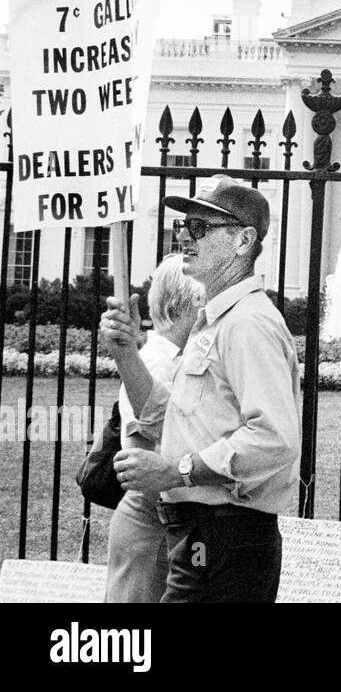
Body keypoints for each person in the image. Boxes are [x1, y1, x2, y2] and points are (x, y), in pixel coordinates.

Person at [100, 175, 302, 603]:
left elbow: (273, 438)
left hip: (226, 537)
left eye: (200, 228)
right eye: (183, 227)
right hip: (203, 535)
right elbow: (175, 418)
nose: (184, 238)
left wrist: (177, 471)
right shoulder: (219, 318)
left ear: (243, 240)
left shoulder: (249, 323)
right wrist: (127, 355)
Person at [104, 255, 204, 603]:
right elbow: (139, 455)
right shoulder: (157, 361)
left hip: (165, 524)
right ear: (194, 299)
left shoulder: (175, 357)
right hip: (151, 523)